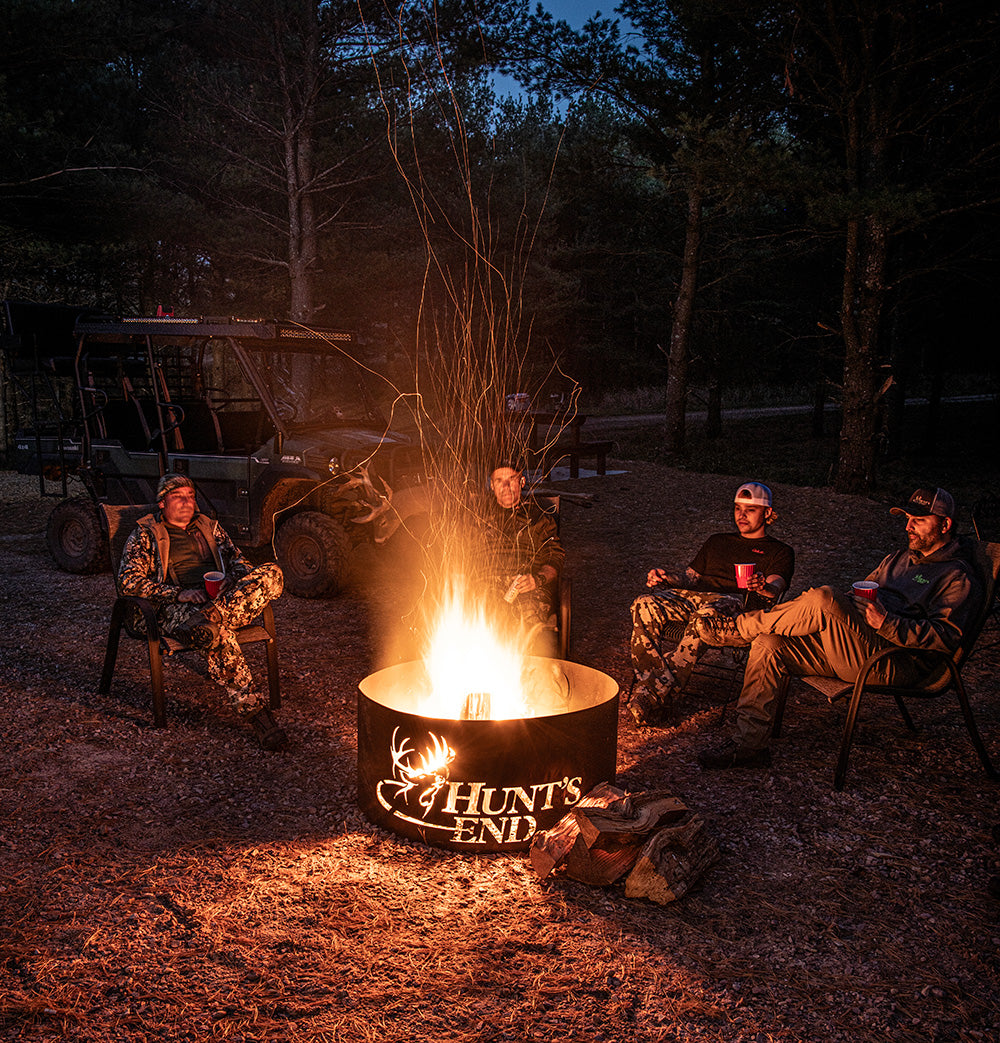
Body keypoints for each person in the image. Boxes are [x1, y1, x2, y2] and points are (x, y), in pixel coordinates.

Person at [694, 486, 982, 769]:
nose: (909, 527)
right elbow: (855, 594)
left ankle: (739, 628)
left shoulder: (956, 576)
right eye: (907, 519)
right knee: (769, 644)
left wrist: (887, 623)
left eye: (918, 520)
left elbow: (945, 638)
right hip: (857, 646)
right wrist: (842, 606)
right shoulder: (898, 559)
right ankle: (749, 746)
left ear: (945, 525)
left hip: (894, 661)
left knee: (824, 598)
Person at [117, 473, 287, 750]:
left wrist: (230, 580)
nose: (187, 502)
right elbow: (128, 582)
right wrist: (177, 593)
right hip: (175, 607)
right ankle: (258, 716)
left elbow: (240, 563)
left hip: (219, 601)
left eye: (191, 496)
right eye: (178, 497)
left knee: (272, 573)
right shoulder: (145, 534)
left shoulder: (209, 527)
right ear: (161, 503)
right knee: (219, 634)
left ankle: (211, 617)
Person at [628, 482, 794, 725]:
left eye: (750, 510)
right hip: (696, 599)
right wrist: (666, 578)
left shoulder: (780, 551)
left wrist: (762, 586)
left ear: (767, 513)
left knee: (704, 618)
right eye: (738, 508)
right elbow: (690, 578)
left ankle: (650, 695)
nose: (741, 515)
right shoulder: (717, 541)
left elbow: (775, 587)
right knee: (643, 603)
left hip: (735, 605)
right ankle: (656, 693)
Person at [484, 463, 565, 657]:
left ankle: (526, 669)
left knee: (526, 621)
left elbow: (555, 556)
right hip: (486, 583)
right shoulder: (478, 516)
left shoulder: (539, 517)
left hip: (527, 586)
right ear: (492, 486)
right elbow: (461, 553)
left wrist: (538, 579)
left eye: (511, 479)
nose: (506, 486)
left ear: (521, 482)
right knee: (481, 615)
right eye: (499, 481)